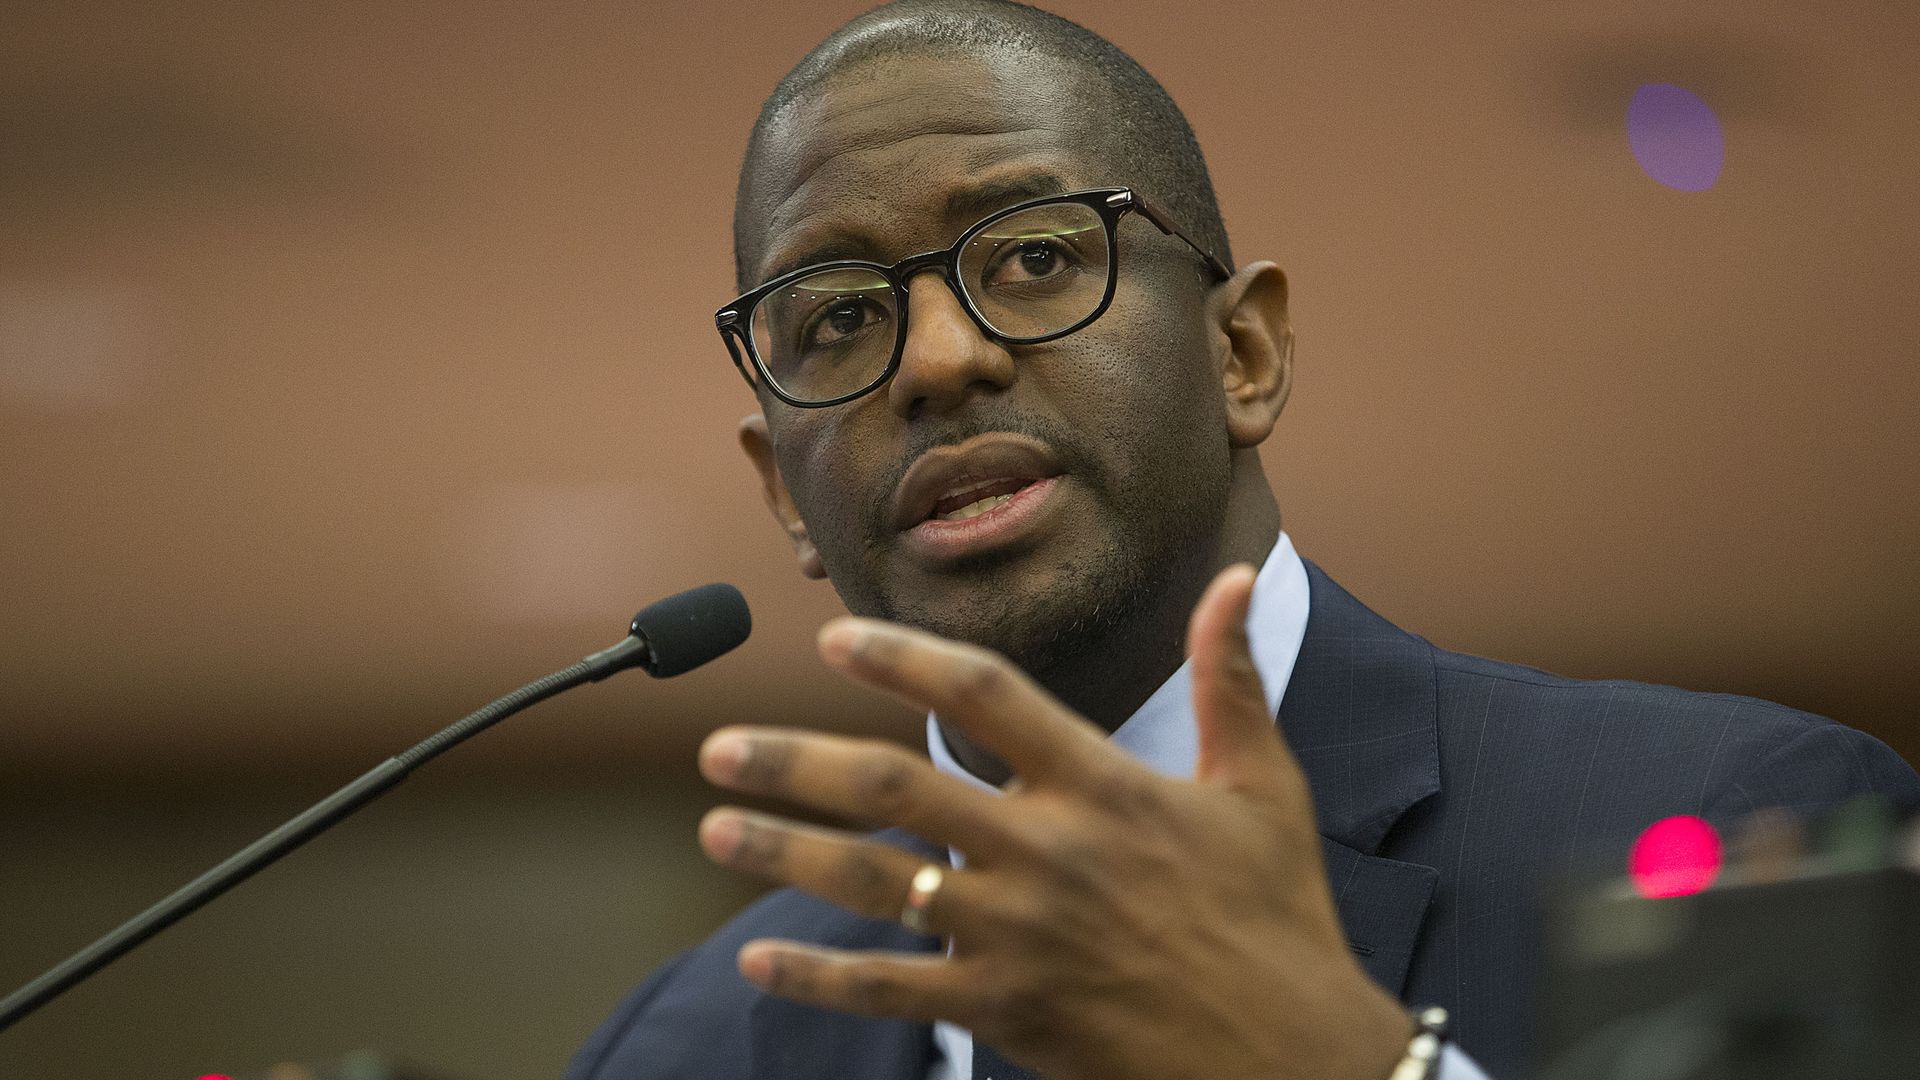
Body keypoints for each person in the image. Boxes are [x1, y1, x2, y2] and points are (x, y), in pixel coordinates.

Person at [566, 2, 1920, 1078]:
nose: (940, 356)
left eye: (1035, 256)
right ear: (785, 496)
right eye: (838, 319)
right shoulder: (676, 1049)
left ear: (1244, 351)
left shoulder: (1738, 824)